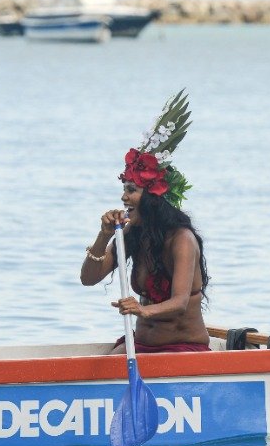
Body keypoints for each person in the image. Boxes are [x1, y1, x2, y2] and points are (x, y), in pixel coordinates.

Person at [80, 89, 211, 353]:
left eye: (131, 190)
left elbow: (180, 302)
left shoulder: (181, 239)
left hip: (182, 347)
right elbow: (88, 279)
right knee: (105, 369)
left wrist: (141, 309)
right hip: (138, 345)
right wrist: (104, 235)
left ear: (152, 196)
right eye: (125, 189)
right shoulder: (131, 234)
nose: (123, 196)